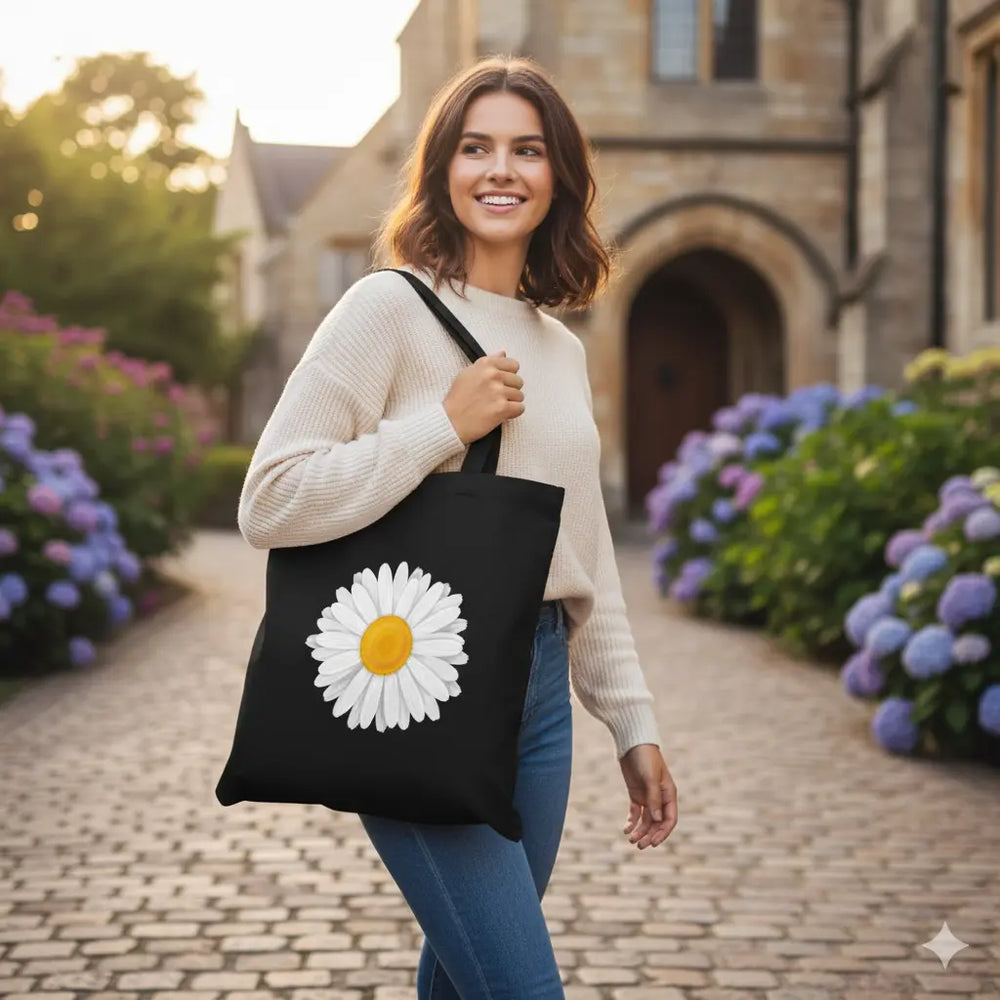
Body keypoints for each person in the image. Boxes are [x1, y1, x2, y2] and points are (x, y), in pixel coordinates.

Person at [237, 54, 678, 999]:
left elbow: (584, 555)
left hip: (542, 698)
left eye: (527, 149)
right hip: (416, 681)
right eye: (475, 148)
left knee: (465, 984)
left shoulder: (560, 348)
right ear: (442, 169)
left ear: (559, 173)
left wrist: (631, 722)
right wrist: (440, 426)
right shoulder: (386, 309)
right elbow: (270, 498)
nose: (500, 170)